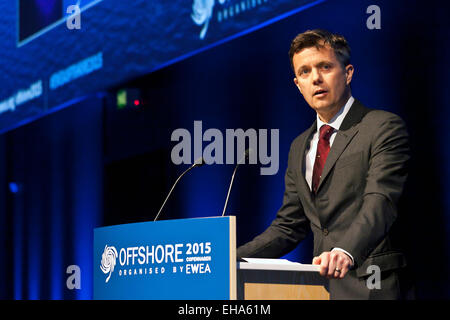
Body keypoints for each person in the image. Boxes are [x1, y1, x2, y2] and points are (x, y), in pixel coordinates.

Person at [237, 29, 412, 299]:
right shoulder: (299, 146)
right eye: (305, 72)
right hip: (323, 289)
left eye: (325, 67)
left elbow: (380, 200)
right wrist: (231, 261)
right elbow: (288, 226)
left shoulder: (382, 127)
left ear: (348, 72)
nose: (316, 78)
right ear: (297, 84)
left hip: (374, 286)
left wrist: (345, 251)